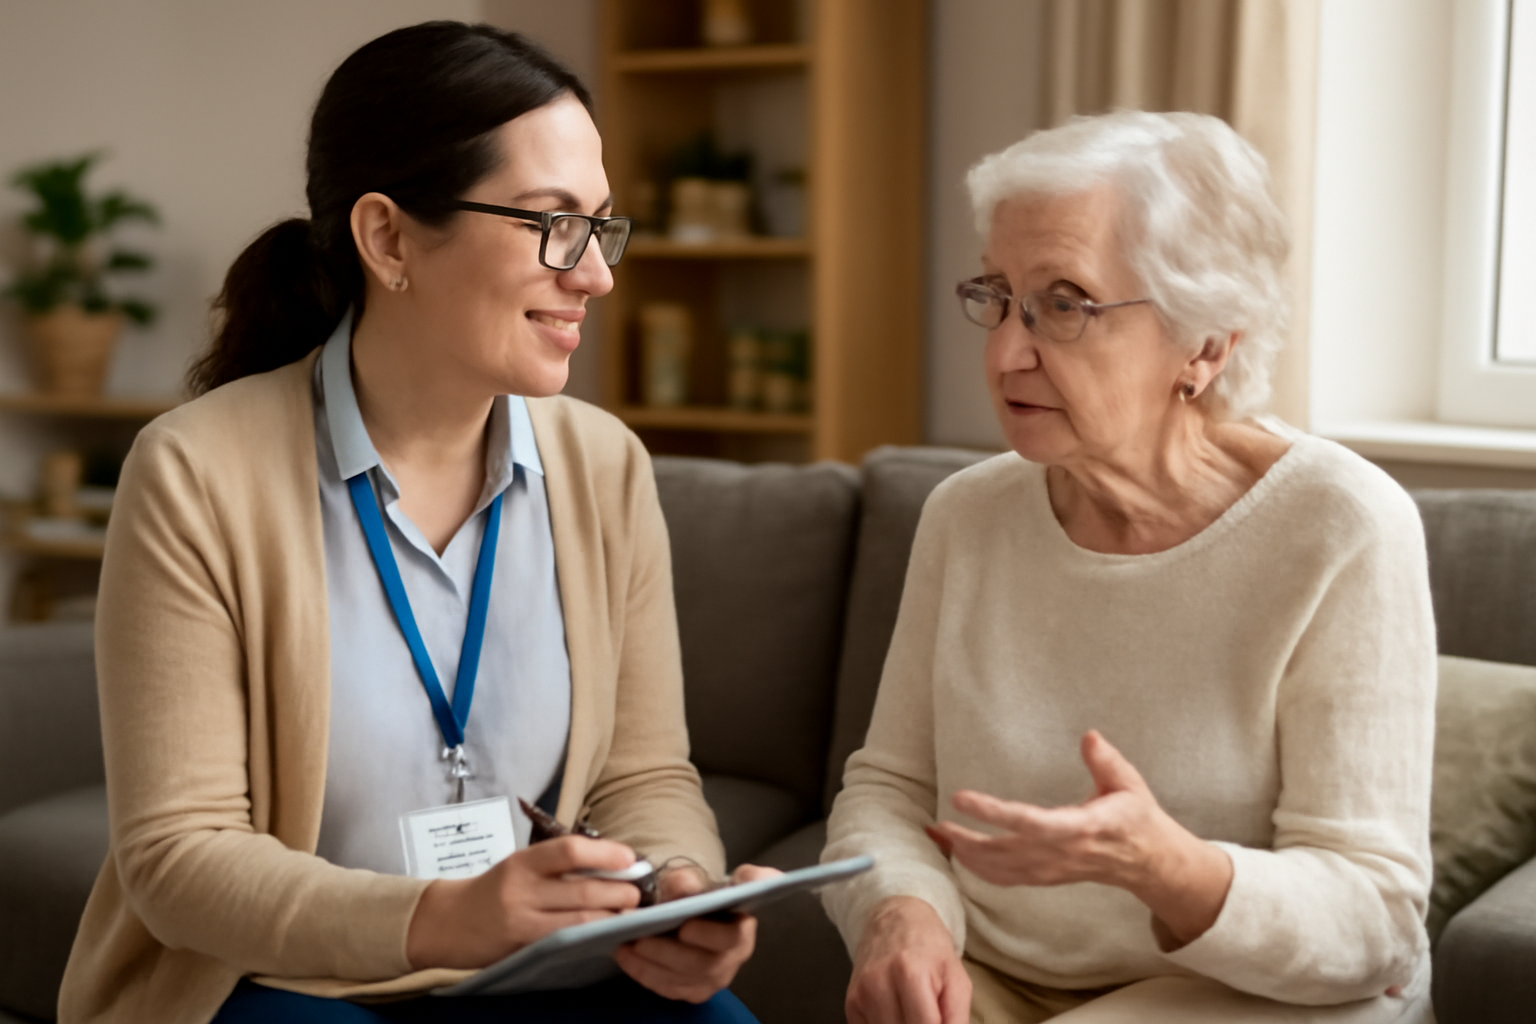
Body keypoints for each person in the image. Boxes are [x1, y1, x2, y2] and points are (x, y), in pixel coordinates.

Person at [59, 22, 769, 1024]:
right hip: (277, 977)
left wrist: (680, 889)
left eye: (602, 226)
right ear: (388, 237)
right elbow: (179, 858)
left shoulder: (605, 465)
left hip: (535, 969)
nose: (597, 276)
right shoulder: (194, 473)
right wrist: (441, 916)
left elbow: (642, 770)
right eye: (550, 224)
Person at [821, 110, 1436, 1024]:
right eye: (999, 295)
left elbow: (1374, 916)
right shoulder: (968, 514)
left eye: (1065, 303)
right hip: (992, 983)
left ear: (1207, 342)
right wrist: (901, 914)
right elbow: (889, 789)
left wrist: (1163, 866)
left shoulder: (1341, 526)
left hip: (1243, 998)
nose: (1004, 353)